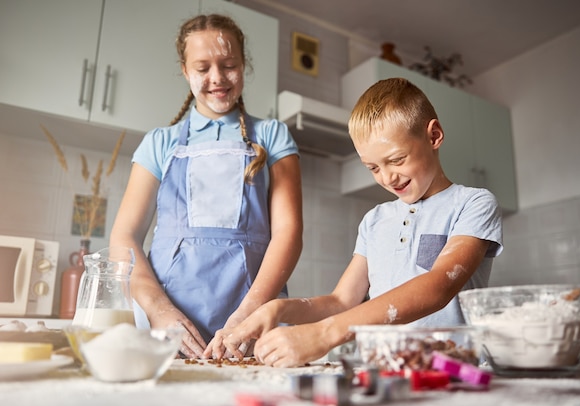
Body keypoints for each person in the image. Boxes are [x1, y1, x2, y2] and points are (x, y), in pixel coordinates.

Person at [205, 77, 503, 367]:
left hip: (456, 373)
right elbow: (341, 301)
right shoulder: (374, 221)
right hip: (386, 374)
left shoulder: (472, 203)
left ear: (434, 135)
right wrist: (277, 308)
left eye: (397, 160)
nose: (387, 177)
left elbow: (438, 287)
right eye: (373, 167)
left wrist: (324, 333)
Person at [109, 14, 303, 359]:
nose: (217, 78)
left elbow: (288, 232)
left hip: (253, 323)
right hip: (167, 329)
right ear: (185, 71)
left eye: (229, 65)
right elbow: (124, 237)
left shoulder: (272, 136)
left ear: (244, 66)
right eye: (202, 68)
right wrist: (158, 309)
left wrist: (250, 313)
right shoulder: (160, 143)